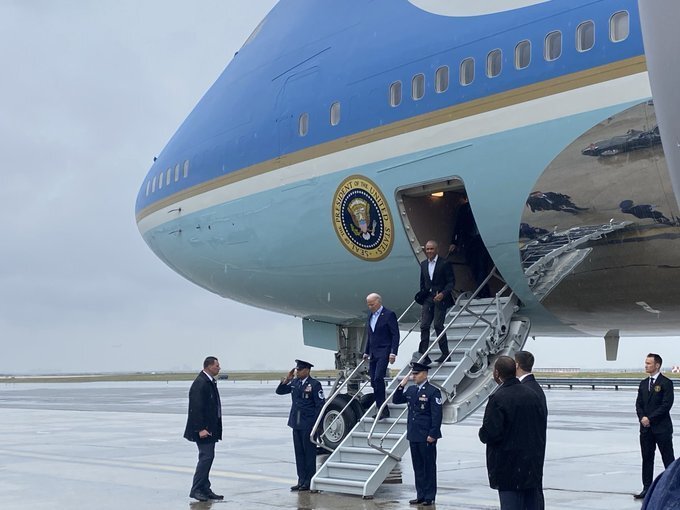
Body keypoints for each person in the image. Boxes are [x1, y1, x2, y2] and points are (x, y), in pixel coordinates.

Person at [479, 356, 545, 510]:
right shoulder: (533, 394)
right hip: (530, 466)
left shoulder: (498, 398)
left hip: (508, 468)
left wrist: (482, 433)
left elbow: (490, 433)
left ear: (497, 373)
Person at [393, 361, 442, 507]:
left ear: (425, 374)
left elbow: (437, 415)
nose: (414, 376)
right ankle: (420, 495)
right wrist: (401, 385)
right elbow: (396, 400)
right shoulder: (412, 390)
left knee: (428, 467)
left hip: (426, 435)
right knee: (418, 467)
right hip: (414, 434)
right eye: (413, 374)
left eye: (416, 374)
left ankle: (429, 496)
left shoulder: (433, 391)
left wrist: (433, 434)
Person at [276, 359, 325, 492]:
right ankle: (301, 480)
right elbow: (279, 391)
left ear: (307, 370)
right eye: (297, 369)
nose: (297, 371)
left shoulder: (315, 384)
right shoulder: (295, 383)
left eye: (300, 369)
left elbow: (320, 405)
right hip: (296, 423)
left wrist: (317, 425)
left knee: (309, 454)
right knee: (299, 454)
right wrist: (286, 380)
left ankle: (308, 481)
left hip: (308, 424)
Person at [634, 353, 675, 500]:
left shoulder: (666, 383)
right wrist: (642, 418)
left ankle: (674, 488)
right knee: (647, 458)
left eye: (649, 363)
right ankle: (647, 488)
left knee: (668, 458)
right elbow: (638, 404)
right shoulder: (643, 383)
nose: (646, 365)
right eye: (645, 363)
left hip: (661, 428)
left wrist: (649, 418)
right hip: (646, 429)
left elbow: (666, 405)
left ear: (657, 365)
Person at [183, 356, 224, 502]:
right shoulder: (200, 383)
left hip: (210, 428)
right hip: (203, 430)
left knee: (208, 457)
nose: (219, 368)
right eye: (217, 366)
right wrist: (200, 429)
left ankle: (205, 488)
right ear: (208, 366)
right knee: (206, 458)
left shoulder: (209, 381)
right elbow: (196, 408)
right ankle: (196, 489)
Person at [515, 351, 548, 510]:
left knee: (531, 495)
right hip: (534, 449)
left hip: (527, 451)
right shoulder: (533, 387)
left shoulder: (526, 390)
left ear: (517, 365)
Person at [363, 293, 399, 420]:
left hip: (384, 351)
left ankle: (383, 409)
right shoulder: (370, 316)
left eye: (372, 304)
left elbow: (395, 335)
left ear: (378, 302)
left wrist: (393, 352)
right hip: (373, 352)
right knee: (373, 381)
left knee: (378, 378)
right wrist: (366, 351)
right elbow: (370, 334)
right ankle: (381, 407)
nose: (370, 307)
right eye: (368, 304)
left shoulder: (389, 315)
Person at [418, 240, 455, 364]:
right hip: (428, 298)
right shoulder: (423, 264)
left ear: (436, 250)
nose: (429, 251)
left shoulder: (444, 263)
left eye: (431, 249)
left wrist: (444, 294)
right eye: (427, 249)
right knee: (424, 325)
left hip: (441, 298)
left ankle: (445, 353)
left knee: (438, 325)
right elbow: (422, 282)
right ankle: (424, 354)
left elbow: (451, 282)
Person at [449, 193, 492, 298]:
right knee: (475, 267)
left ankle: (482, 292)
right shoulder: (464, 209)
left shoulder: (480, 208)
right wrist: (454, 242)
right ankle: (483, 292)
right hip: (470, 241)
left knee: (480, 267)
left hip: (479, 241)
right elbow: (458, 226)